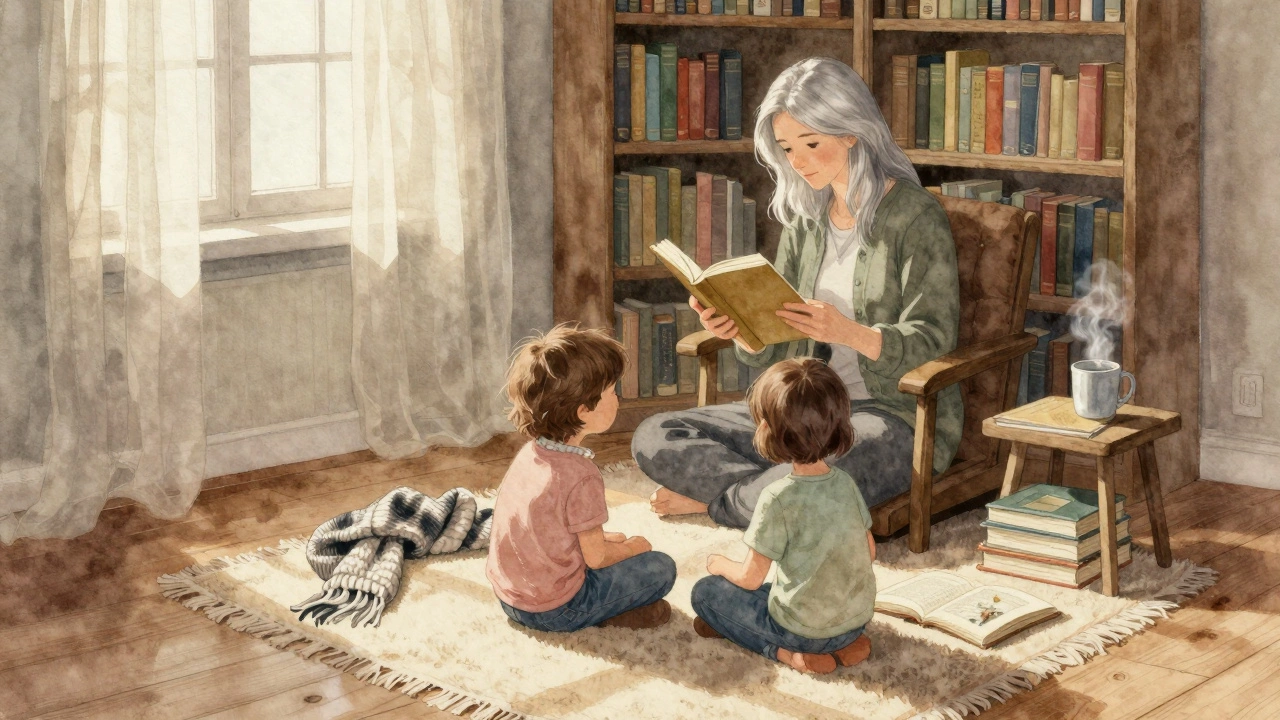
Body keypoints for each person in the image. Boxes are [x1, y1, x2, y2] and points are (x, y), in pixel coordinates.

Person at [632, 57, 963, 528]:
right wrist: (743, 331)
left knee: (825, 471)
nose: (798, 161)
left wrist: (848, 332)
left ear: (851, 132)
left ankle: (722, 503)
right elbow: (780, 333)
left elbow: (934, 339)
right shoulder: (807, 219)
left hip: (889, 418)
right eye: (787, 147)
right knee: (656, 434)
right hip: (799, 413)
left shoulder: (915, 216)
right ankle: (766, 496)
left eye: (811, 142)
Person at [486, 325, 677, 632]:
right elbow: (598, 559)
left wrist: (602, 541)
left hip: (509, 598)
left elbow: (547, 528)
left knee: (615, 549)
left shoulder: (530, 454)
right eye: (612, 392)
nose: (618, 399)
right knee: (661, 567)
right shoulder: (581, 475)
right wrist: (633, 549)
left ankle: (610, 612)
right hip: (556, 608)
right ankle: (603, 616)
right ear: (583, 409)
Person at [691, 359, 876, 674]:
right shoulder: (844, 483)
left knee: (706, 592)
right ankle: (846, 644)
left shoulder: (777, 497)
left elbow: (750, 578)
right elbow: (869, 551)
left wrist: (719, 564)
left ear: (765, 429)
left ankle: (789, 654)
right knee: (777, 591)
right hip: (855, 619)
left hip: (803, 631)